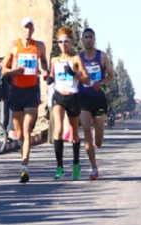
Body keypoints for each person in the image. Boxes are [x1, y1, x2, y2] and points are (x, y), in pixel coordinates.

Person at [1, 17, 49, 183]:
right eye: (25, 28)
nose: (28, 31)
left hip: (31, 91)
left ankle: (24, 167)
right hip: (16, 91)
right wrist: (15, 71)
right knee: (20, 132)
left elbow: (44, 62)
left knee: (27, 129)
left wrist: (45, 71)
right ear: (21, 29)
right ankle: (24, 154)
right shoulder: (14, 46)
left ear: (33, 30)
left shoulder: (40, 46)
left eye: (30, 28)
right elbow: (3, 70)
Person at [49, 27, 89, 180]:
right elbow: (51, 76)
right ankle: (59, 166)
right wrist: (49, 78)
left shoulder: (75, 59)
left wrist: (75, 74)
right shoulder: (55, 60)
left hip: (73, 97)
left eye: (66, 41)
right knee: (58, 129)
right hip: (59, 97)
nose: (63, 44)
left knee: (73, 133)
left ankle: (76, 163)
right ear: (57, 43)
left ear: (71, 42)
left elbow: (86, 79)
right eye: (60, 41)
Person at [77, 28, 114, 180]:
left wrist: (102, 83)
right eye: (85, 37)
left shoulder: (102, 56)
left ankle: (97, 141)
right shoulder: (78, 59)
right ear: (82, 40)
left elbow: (111, 75)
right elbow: (73, 76)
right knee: (86, 131)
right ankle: (94, 167)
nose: (88, 40)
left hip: (98, 98)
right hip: (83, 98)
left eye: (90, 37)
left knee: (98, 140)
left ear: (94, 39)